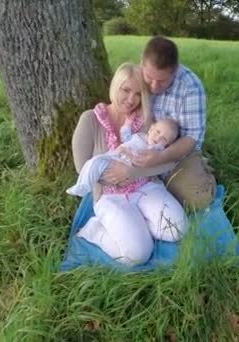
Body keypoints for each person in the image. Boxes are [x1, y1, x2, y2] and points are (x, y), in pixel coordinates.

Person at [71, 62, 187, 266]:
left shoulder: (146, 120)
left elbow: (167, 161)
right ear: (115, 84)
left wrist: (133, 172)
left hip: (146, 186)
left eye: (138, 93)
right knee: (137, 255)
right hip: (110, 195)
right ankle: (96, 231)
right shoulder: (90, 119)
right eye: (126, 90)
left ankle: (135, 226)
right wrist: (116, 173)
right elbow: (82, 169)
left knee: (177, 229)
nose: (131, 100)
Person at [99, 36, 217, 210]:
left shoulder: (190, 87)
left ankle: (202, 170)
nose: (153, 86)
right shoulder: (136, 77)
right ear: (142, 63)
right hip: (139, 143)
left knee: (195, 199)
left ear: (174, 70)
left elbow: (192, 137)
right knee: (115, 181)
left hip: (177, 150)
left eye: (162, 81)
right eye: (149, 77)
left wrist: (161, 157)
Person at [66, 118, 179, 197]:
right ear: (151, 129)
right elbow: (126, 138)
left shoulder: (154, 151)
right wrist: (127, 125)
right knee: (95, 162)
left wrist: (128, 152)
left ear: (165, 145)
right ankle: (83, 185)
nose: (158, 137)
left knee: (100, 167)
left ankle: (86, 185)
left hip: (126, 166)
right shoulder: (139, 136)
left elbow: (140, 160)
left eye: (164, 139)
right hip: (113, 157)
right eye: (158, 132)